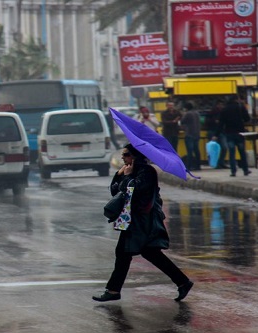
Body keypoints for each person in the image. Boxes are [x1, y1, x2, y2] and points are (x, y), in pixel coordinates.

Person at [93, 143, 193, 302]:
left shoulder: (147, 172)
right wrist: (120, 175)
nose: (122, 157)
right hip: (133, 220)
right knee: (149, 253)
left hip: (142, 221)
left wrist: (127, 176)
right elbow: (115, 191)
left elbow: (133, 190)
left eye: (125, 154)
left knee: (124, 253)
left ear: (134, 156)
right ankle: (183, 282)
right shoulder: (131, 171)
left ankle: (113, 291)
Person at [218, 96, 251, 177]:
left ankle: (233, 171)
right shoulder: (240, 107)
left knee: (232, 153)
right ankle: (245, 170)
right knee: (242, 152)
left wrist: (216, 134)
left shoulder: (224, 109)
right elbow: (247, 118)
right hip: (240, 133)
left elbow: (221, 123)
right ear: (236, 100)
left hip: (229, 133)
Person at [205, 100, 228, 169]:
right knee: (215, 149)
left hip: (221, 132)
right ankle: (216, 163)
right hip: (213, 131)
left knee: (224, 148)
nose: (221, 106)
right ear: (217, 105)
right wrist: (214, 121)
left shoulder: (224, 112)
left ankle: (221, 162)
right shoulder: (212, 112)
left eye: (222, 105)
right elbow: (207, 121)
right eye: (220, 105)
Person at [180, 102, 201, 171]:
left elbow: (182, 121)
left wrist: (183, 114)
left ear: (186, 108)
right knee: (196, 150)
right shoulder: (197, 113)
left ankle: (188, 166)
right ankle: (198, 165)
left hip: (189, 134)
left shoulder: (188, 114)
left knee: (190, 151)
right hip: (197, 134)